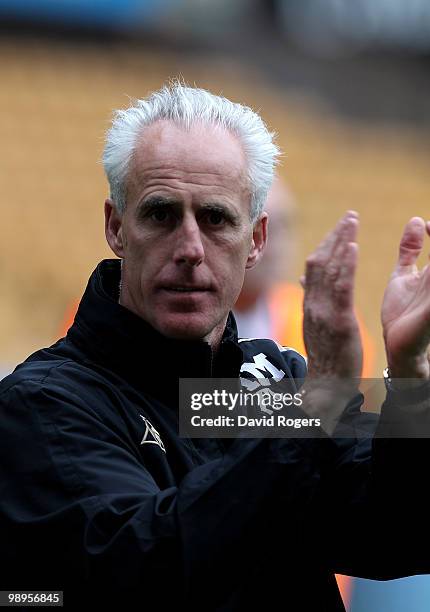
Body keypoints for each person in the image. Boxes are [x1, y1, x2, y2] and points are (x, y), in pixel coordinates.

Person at [1, 83, 430, 611]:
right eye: (161, 214)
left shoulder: (274, 382)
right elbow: (144, 575)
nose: (188, 249)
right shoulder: (43, 404)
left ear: (255, 241)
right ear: (116, 227)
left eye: (216, 218)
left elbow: (396, 535)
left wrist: (412, 380)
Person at [234, 177, 376, 377]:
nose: (276, 248)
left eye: (284, 227)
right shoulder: (190, 318)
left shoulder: (321, 319)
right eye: (260, 229)